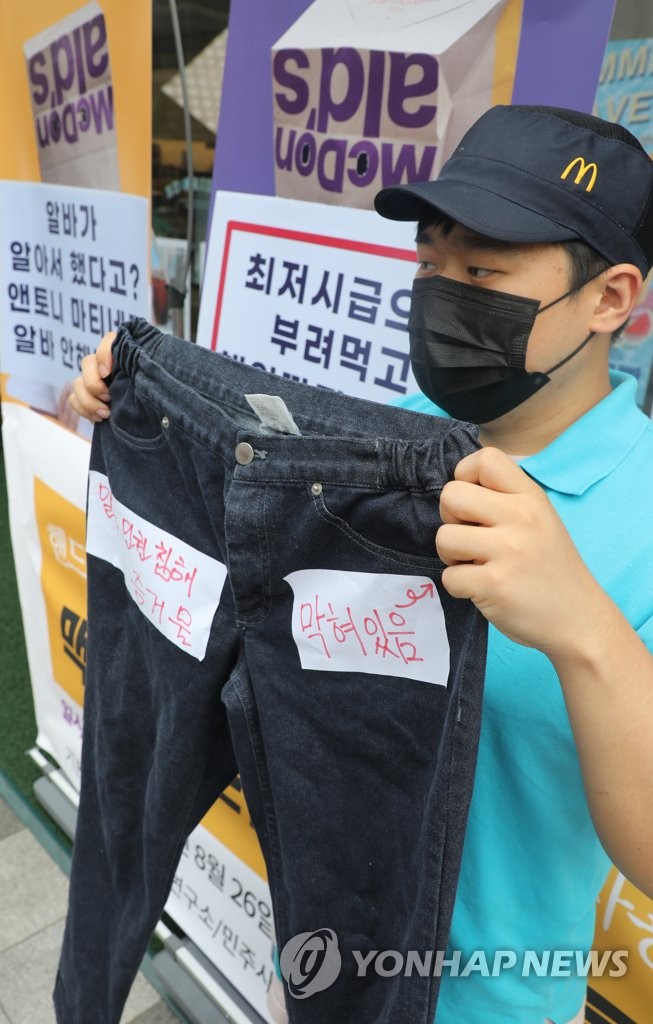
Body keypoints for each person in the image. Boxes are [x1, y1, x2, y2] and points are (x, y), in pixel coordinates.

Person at [69, 105, 653, 1024]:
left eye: (481, 272)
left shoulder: (643, 513)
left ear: (610, 298)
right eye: (428, 266)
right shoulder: (389, 432)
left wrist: (581, 626)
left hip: (493, 1003)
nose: (441, 294)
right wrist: (140, 411)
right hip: (313, 966)